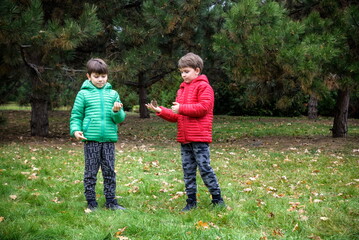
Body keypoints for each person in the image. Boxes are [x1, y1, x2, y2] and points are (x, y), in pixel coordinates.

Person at [146, 52, 225, 211]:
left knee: (204, 168)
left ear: (197, 70)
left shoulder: (204, 87)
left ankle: (217, 198)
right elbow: (177, 116)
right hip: (185, 138)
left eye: (186, 71)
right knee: (188, 171)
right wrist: (159, 110)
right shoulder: (181, 90)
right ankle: (191, 202)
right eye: (181, 72)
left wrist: (181, 108)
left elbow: (203, 108)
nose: (183, 75)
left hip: (199, 138)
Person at [70, 58, 126, 211]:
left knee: (109, 171)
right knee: (91, 172)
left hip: (108, 140)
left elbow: (120, 119)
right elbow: (76, 115)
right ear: (89, 76)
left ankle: (111, 201)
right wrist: (75, 130)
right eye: (96, 76)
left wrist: (116, 111)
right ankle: (91, 202)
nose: (100, 79)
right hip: (91, 140)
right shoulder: (83, 94)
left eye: (103, 76)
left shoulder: (113, 94)